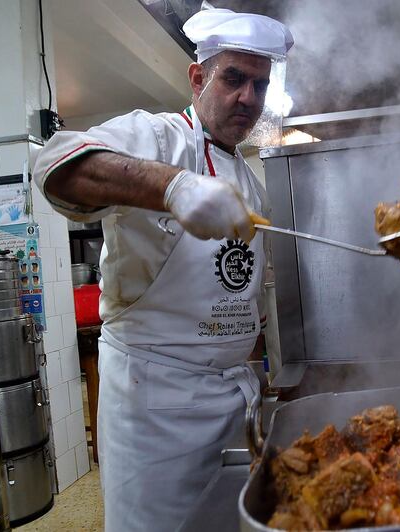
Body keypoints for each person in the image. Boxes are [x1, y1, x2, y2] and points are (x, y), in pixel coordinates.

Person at [30, 6, 293, 530]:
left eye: (260, 85)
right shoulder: (155, 137)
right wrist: (172, 187)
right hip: (157, 412)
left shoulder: (249, 178)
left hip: (234, 403)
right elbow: (54, 167)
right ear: (198, 78)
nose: (249, 98)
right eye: (234, 78)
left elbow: (244, 295)